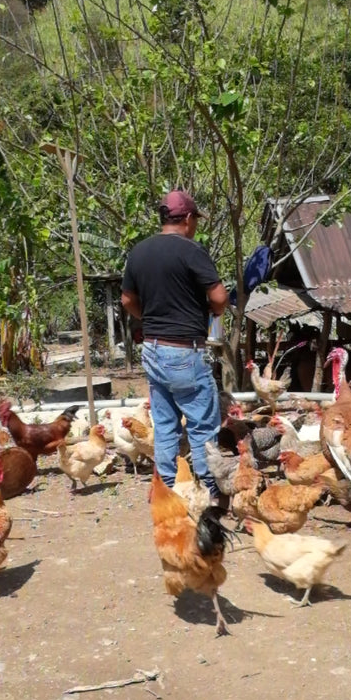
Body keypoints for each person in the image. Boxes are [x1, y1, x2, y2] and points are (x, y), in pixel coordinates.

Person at [121, 189, 229, 494]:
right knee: (202, 426)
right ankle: (209, 490)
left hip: (152, 349)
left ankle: (167, 492)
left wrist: (151, 318)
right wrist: (213, 311)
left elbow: (127, 300)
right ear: (189, 218)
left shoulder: (138, 252)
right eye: (196, 220)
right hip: (184, 351)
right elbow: (219, 297)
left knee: (166, 426)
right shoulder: (192, 250)